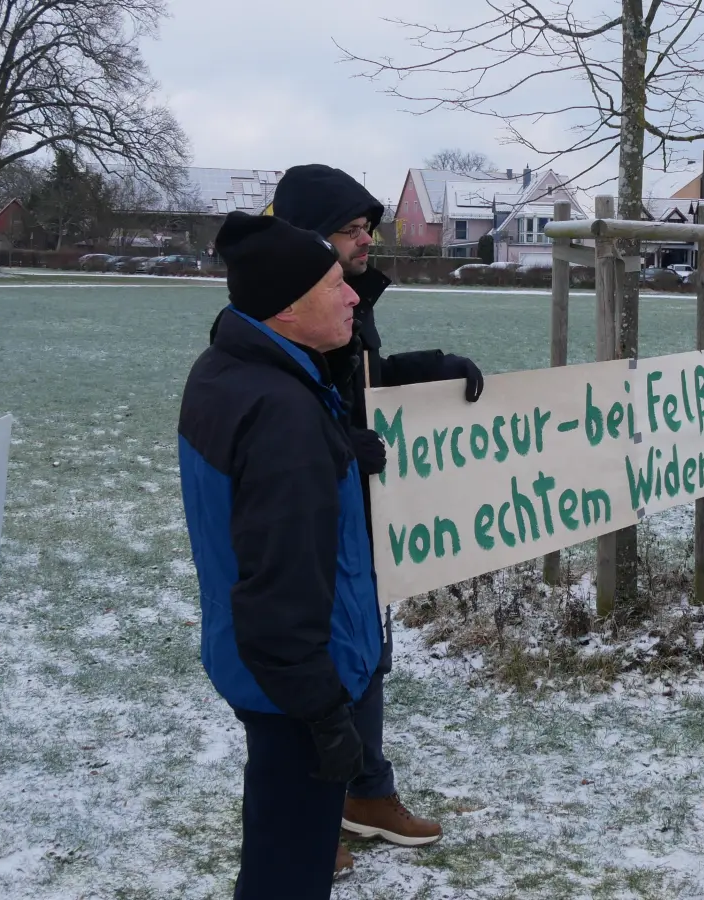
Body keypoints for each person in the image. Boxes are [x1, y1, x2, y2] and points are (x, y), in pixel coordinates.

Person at [269, 165, 483, 866]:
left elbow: (367, 383)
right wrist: (339, 446)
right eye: (352, 231)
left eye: (368, 228)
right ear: (310, 236)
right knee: (320, 658)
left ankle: (367, 791)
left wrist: (437, 366)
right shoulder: (285, 310)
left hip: (363, 505)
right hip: (310, 515)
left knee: (370, 650)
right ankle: (308, 809)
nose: (368, 242)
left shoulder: (352, 301)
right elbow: (285, 411)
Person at [178, 211, 379, 898]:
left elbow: (252, 502)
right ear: (287, 310)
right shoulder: (282, 413)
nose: (354, 294)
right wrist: (324, 714)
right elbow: (281, 582)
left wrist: (336, 453)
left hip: (259, 670)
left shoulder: (228, 372)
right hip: (295, 686)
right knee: (290, 868)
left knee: (276, 844)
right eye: (333, 285)